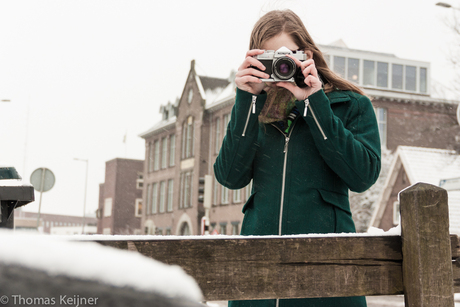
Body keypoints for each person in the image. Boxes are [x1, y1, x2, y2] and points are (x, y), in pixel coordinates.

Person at [214, 9, 381, 307]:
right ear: (255, 60)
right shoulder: (253, 108)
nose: (281, 64)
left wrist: (314, 103)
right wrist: (247, 100)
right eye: (270, 57)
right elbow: (229, 176)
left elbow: (363, 175)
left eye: (288, 55)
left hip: (327, 275)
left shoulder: (351, 105)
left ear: (307, 55)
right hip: (257, 276)